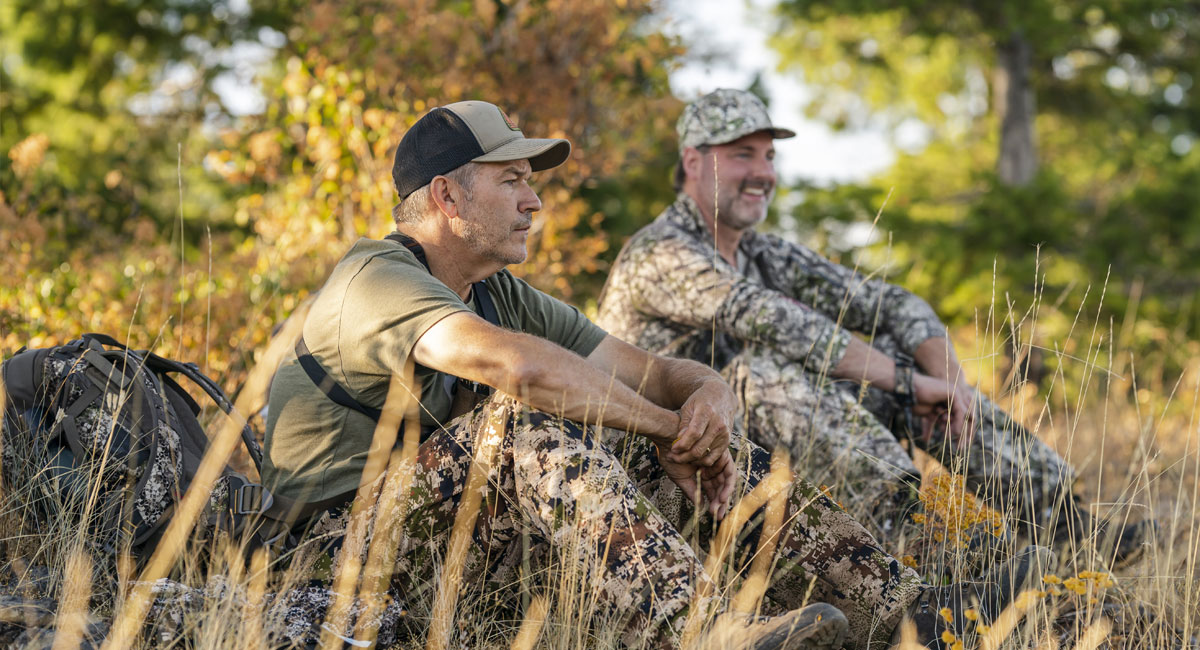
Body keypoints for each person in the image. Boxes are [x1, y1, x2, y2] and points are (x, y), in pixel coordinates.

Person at [262, 100, 1049, 650]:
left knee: (674, 438)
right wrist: (669, 427)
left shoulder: (501, 290)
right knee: (524, 423)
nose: (536, 201)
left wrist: (704, 406)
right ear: (445, 195)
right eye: (513, 181)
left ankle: (912, 615)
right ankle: (707, 634)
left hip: (448, 544)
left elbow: (652, 371)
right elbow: (514, 366)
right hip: (333, 560)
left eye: (531, 182)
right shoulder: (373, 276)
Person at [595, 88, 1152, 564]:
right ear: (693, 162)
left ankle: (1064, 524)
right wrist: (910, 384)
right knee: (761, 373)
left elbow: (893, 303)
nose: (764, 172)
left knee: (898, 352)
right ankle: (931, 546)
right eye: (744, 155)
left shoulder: (764, 253)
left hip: (761, 454)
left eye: (769, 156)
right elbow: (783, 326)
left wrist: (947, 382)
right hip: (672, 472)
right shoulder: (660, 252)